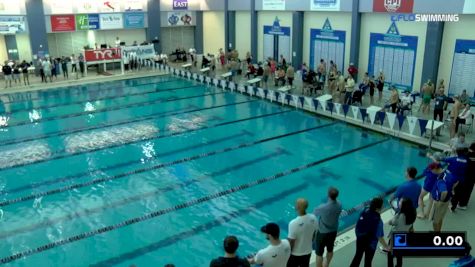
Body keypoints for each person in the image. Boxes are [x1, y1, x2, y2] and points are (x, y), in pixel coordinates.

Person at [350, 197, 389, 267]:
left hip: (360, 239)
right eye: (382, 205)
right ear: (378, 208)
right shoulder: (378, 221)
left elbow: (359, 224)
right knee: (368, 261)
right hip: (371, 244)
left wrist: (359, 235)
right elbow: (380, 237)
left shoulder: (365, 210)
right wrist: (386, 246)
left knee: (357, 256)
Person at [313, 187, 342, 267]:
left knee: (319, 253)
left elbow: (314, 213)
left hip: (322, 233)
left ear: (328, 195)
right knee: (330, 250)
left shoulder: (323, 207)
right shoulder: (339, 204)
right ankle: (326, 265)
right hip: (333, 232)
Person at [387, 198, 417, 267]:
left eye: (400, 202)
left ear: (404, 206)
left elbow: (392, 223)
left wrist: (394, 217)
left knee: (390, 254)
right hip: (404, 236)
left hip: (396, 237)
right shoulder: (412, 212)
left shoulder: (401, 216)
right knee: (399, 254)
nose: (399, 202)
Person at [287, 198, 317, 267]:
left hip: (295, 254)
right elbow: (315, 233)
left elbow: (291, 242)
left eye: (296, 204)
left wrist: (288, 254)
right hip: (308, 251)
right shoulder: (313, 218)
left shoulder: (293, 223)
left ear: (297, 207)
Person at [418, 152, 444, 219]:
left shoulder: (431, 166)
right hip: (435, 185)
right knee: (431, 200)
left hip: (428, 184)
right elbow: (437, 160)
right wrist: (430, 156)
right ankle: (428, 214)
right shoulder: (440, 166)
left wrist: (426, 169)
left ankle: (421, 214)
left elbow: (424, 173)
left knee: (420, 197)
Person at [429, 162, 454, 232]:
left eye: (431, 170)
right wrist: (451, 189)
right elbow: (456, 182)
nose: (431, 171)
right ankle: (438, 231)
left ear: (435, 169)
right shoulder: (447, 172)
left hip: (439, 202)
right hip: (447, 200)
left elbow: (444, 191)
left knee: (435, 222)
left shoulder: (441, 179)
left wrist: (440, 201)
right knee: (440, 218)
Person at [444, 147, 468, 212]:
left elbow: (443, 159)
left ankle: (446, 203)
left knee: (449, 190)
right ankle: (453, 207)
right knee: (458, 193)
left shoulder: (453, 159)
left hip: (453, 179)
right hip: (461, 179)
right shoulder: (466, 160)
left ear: (457, 153)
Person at [457, 143, 475, 210]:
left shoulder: (468, 155)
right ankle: (463, 204)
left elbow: (461, 153)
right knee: (468, 190)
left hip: (466, 175)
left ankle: (460, 202)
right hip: (473, 177)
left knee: (462, 188)